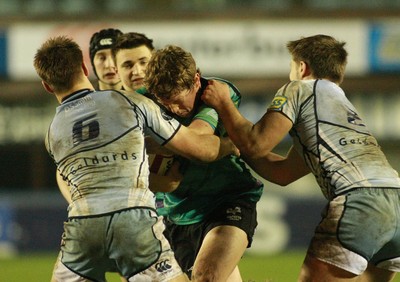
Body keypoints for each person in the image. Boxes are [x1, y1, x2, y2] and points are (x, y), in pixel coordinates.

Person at [33, 36, 237, 282]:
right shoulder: (129, 102)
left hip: (82, 229)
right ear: (85, 68)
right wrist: (228, 145)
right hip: (134, 222)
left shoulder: (52, 132)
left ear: (46, 85)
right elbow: (199, 148)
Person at [201, 34, 400, 282]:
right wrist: (234, 148)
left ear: (302, 67)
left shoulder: (300, 88)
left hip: (362, 201)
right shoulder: (338, 106)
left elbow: (256, 142)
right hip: (395, 201)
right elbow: (283, 173)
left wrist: (223, 104)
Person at [144, 45, 264, 282]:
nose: (174, 110)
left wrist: (150, 140)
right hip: (176, 212)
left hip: (227, 201)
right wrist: (227, 145)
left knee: (205, 276)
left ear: (196, 80)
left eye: (178, 101)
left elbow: (198, 142)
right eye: (165, 103)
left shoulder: (217, 92)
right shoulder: (145, 98)